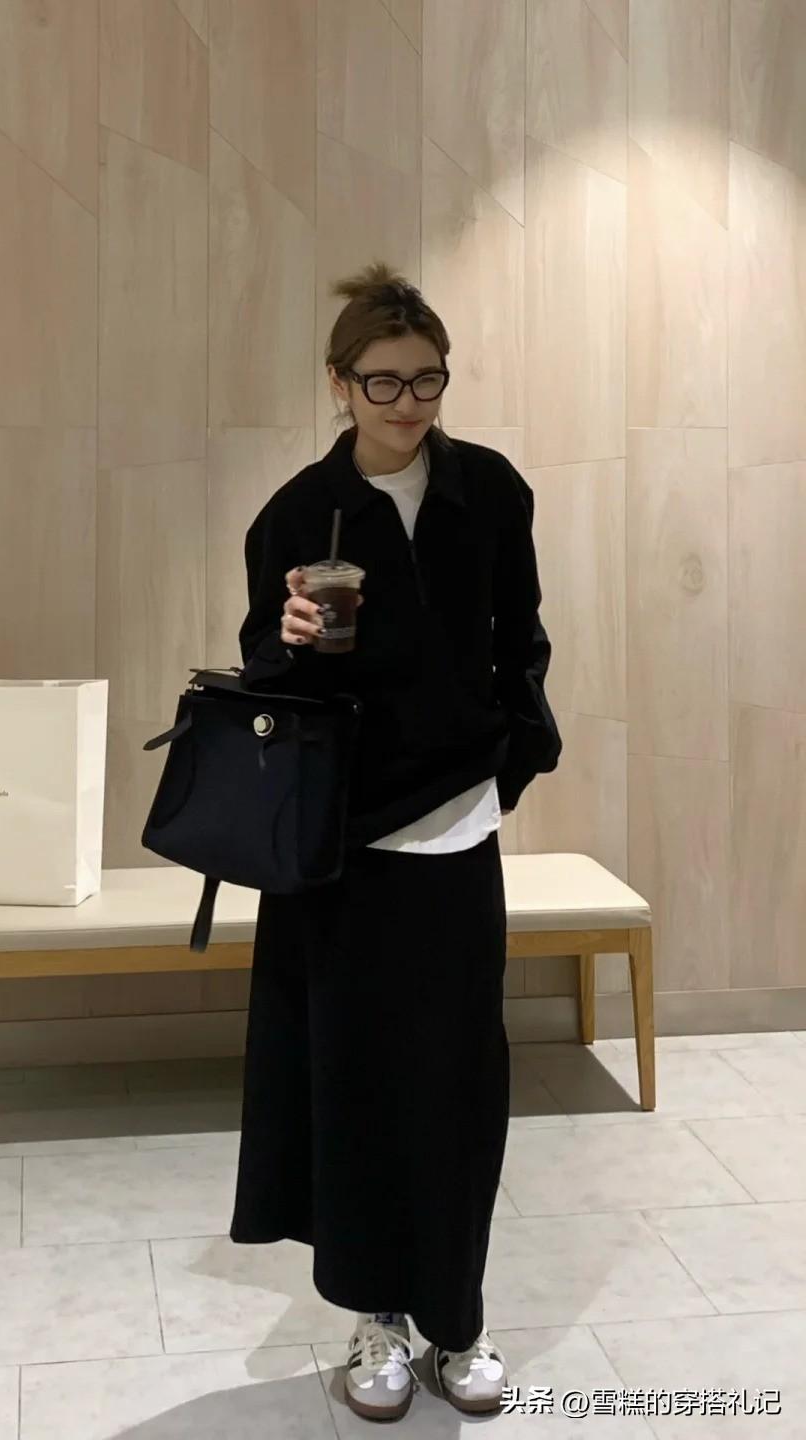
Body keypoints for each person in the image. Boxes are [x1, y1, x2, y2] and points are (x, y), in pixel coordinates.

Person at [227, 262, 562, 1421]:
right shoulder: (298, 515)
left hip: (459, 823)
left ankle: (457, 1319)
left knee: (461, 1081)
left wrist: (513, 752)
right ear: (339, 383)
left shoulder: (490, 491)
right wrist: (288, 637)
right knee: (357, 1082)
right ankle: (375, 1315)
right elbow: (264, 678)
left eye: (427, 380)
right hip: (345, 844)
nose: (408, 403)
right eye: (383, 382)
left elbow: (522, 638)